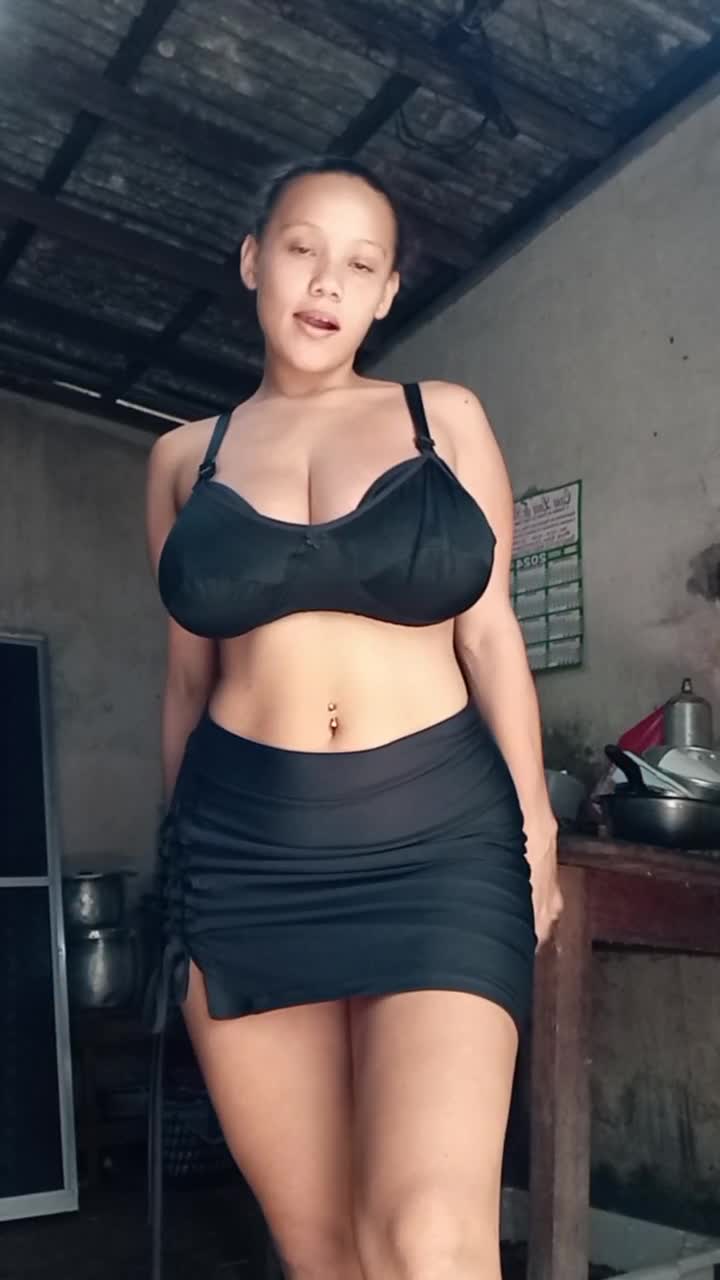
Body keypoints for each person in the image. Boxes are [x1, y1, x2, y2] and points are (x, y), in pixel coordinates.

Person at [145, 156, 562, 1280]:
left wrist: (537, 822)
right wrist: (176, 871)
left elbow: (490, 638)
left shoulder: (444, 419)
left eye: (361, 263)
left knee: (425, 1237)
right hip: (241, 860)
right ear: (253, 261)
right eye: (302, 249)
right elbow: (185, 683)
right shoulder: (183, 458)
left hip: (440, 847)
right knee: (324, 1252)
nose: (327, 281)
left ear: (386, 295)